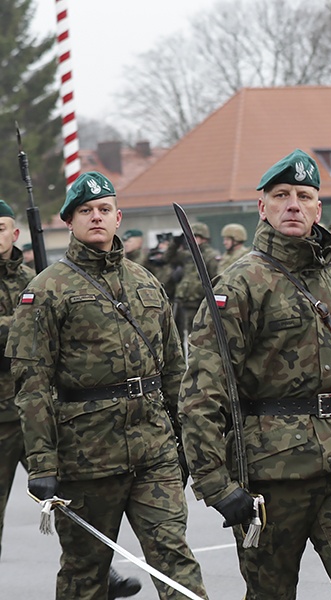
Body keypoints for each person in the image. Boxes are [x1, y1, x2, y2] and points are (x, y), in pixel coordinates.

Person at [178, 150, 331, 599]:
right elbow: (203, 391)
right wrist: (217, 483)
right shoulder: (240, 284)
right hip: (269, 478)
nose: (293, 204)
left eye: (303, 195)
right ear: (263, 207)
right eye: (281, 195)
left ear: (320, 207)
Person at [4, 172, 206, 600]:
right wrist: (42, 464)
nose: (96, 217)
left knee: (176, 560)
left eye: (104, 209)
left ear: (118, 218)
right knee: (85, 574)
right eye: (85, 211)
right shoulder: (46, 290)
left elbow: (174, 368)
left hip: (153, 451)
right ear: (70, 221)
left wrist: (186, 440)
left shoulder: (146, 283)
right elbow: (32, 384)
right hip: (85, 458)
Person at [0, 200, 35, 560]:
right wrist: (24, 325)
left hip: (33, 409)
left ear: (15, 233)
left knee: (66, 497)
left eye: (0, 226)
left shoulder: (31, 279)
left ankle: (96, 573)